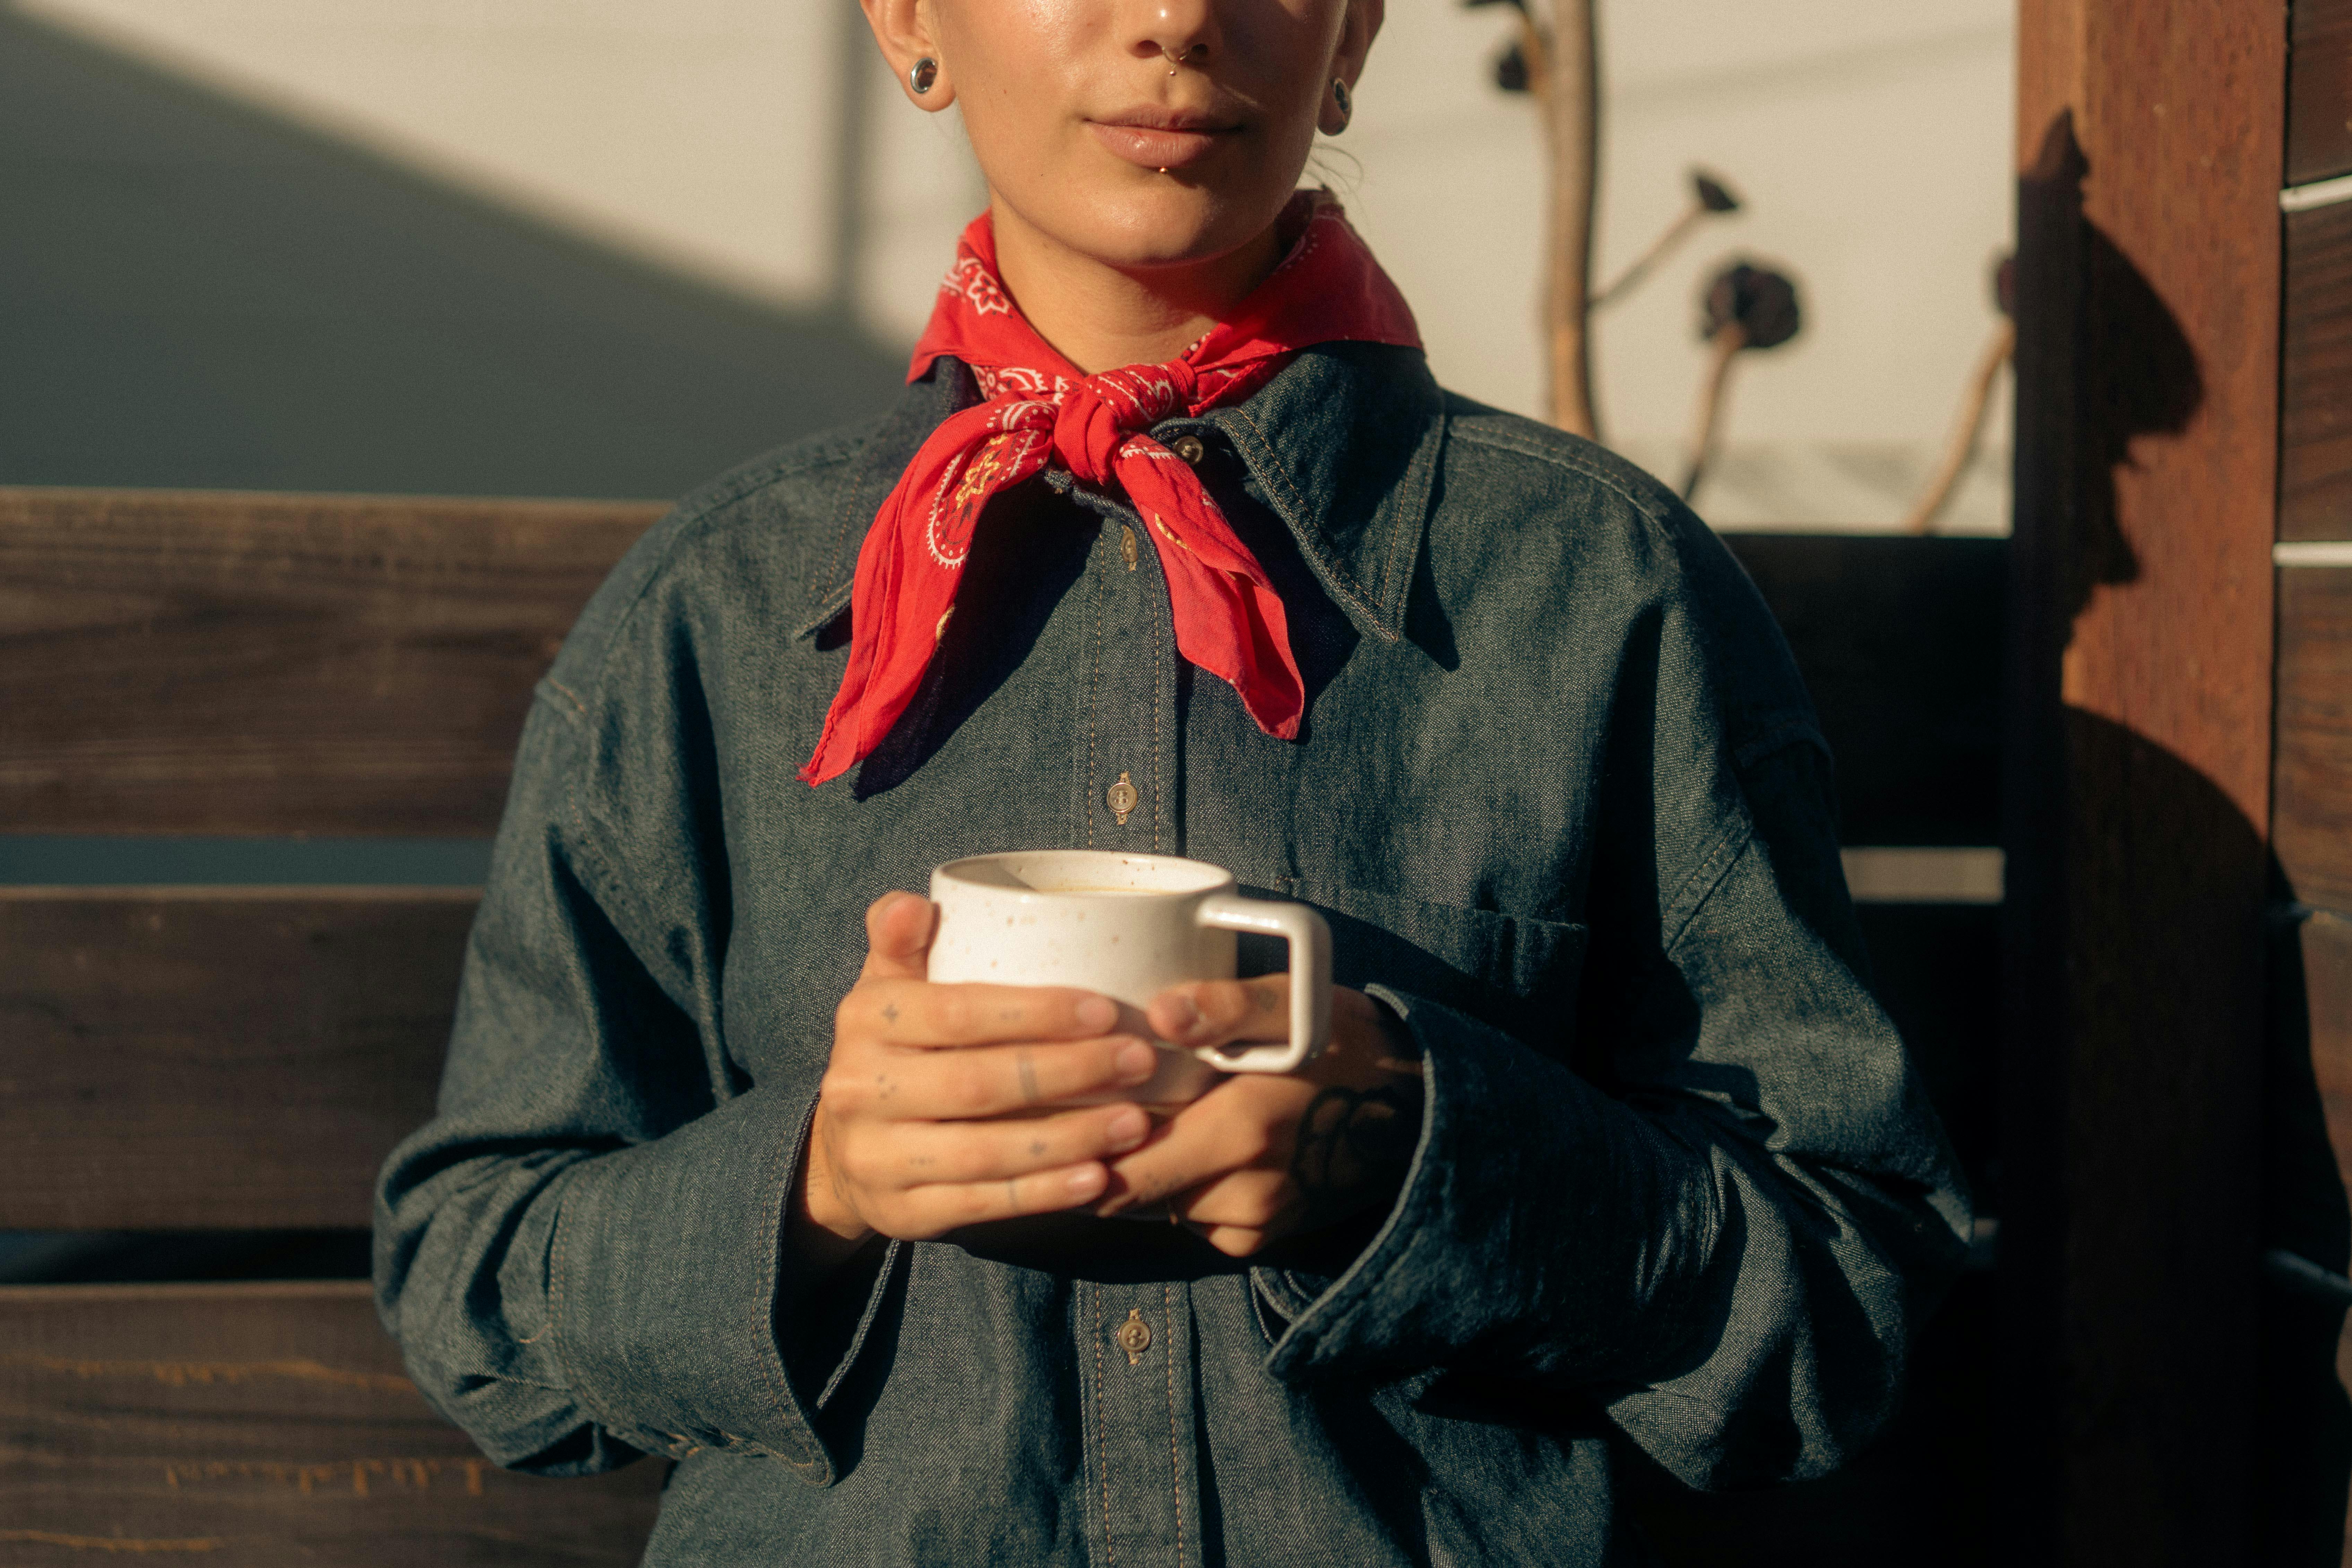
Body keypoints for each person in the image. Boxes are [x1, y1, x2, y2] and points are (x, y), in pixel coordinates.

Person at [373, 0, 1970, 1562]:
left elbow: (1842, 1305)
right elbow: (481, 1308)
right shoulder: (716, 616)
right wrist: (818, 1181)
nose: (1177, 20)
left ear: (1353, 35)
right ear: (907, 20)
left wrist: (1416, 1149)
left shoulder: (1596, 596)